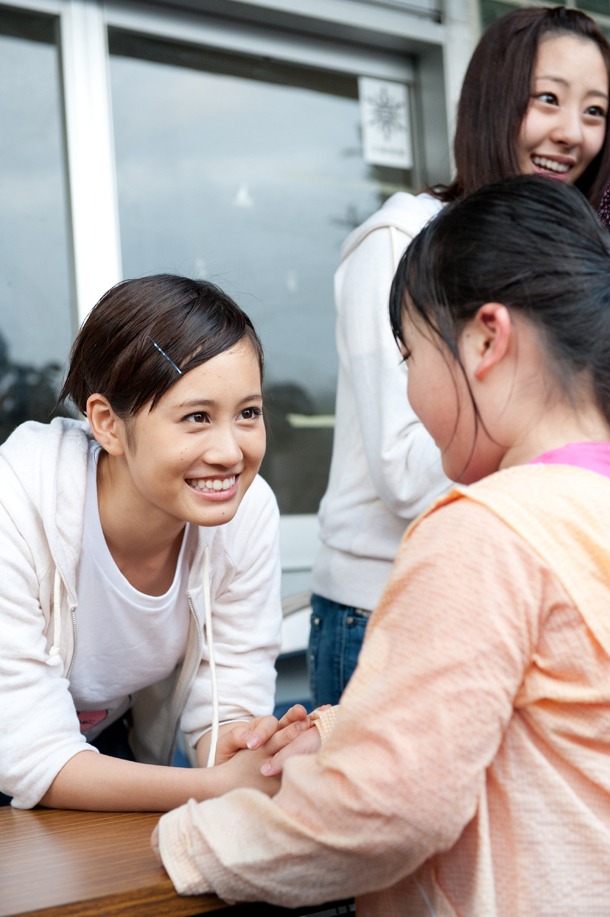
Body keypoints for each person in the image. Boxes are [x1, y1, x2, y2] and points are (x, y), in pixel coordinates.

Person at [154, 175, 610, 916]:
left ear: (486, 339)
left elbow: (386, 811)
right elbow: (543, 715)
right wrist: (337, 732)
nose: (408, 389)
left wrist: (194, 838)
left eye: (410, 355)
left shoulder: (488, 528)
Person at [308, 3, 610, 708]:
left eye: (596, 111)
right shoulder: (402, 240)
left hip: (519, 593)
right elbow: (407, 475)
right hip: (380, 607)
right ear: (492, 99)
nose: (571, 133)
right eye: (548, 99)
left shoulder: (562, 259)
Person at [0, 272, 308, 811]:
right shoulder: (16, 503)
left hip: (98, 748)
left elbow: (226, 702)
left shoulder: (246, 513)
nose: (231, 453)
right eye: (196, 417)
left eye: (248, 414)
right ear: (107, 424)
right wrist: (214, 786)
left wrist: (243, 747)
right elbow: (32, 754)